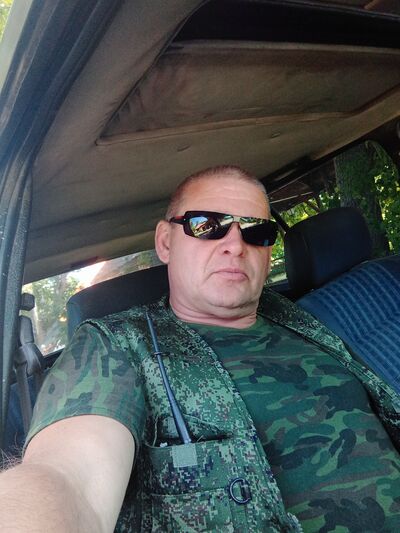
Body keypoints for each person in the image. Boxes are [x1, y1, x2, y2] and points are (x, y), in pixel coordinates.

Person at [1, 165, 400, 532]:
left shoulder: (298, 316)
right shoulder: (116, 345)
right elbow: (68, 479)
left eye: (256, 231)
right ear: (165, 242)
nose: (235, 245)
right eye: (207, 225)